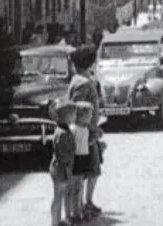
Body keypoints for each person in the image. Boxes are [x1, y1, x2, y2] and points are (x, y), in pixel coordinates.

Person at [68, 47, 103, 218]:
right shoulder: (82, 83)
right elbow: (79, 109)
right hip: (85, 134)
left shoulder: (81, 79)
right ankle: (82, 206)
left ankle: (85, 203)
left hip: (88, 132)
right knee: (87, 170)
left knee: (91, 170)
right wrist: (90, 131)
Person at [49, 100, 77, 226]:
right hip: (61, 169)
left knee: (59, 196)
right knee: (58, 197)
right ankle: (55, 222)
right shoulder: (63, 133)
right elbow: (63, 155)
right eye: (74, 114)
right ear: (67, 116)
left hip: (61, 168)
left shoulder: (63, 129)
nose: (75, 117)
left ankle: (58, 221)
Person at [68, 101, 93, 223]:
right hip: (76, 159)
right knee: (75, 187)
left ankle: (79, 209)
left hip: (84, 157)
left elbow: (84, 143)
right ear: (80, 116)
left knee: (80, 185)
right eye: (88, 115)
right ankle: (75, 213)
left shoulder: (85, 129)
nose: (90, 118)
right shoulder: (74, 129)